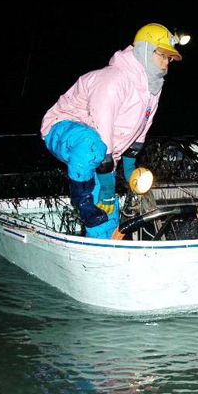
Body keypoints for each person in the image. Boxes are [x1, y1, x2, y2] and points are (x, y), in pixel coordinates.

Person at [40, 23, 182, 239]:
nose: (166, 63)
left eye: (169, 58)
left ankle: (103, 247)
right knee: (93, 147)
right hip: (62, 129)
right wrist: (107, 187)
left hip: (102, 151)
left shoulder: (153, 88)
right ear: (144, 50)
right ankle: (82, 202)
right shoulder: (114, 79)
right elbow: (102, 129)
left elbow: (140, 131)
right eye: (161, 55)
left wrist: (128, 172)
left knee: (109, 222)